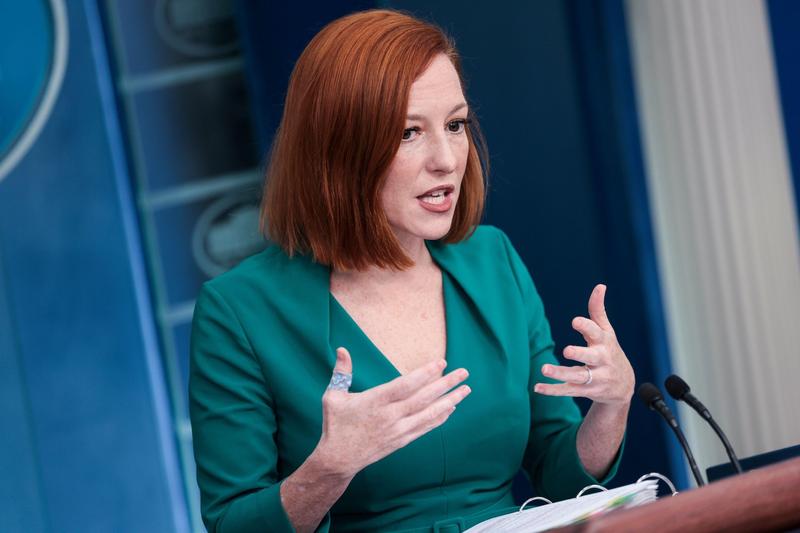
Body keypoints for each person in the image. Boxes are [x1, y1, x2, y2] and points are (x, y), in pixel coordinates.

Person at [189, 9, 634, 533]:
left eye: (455, 125)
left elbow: (561, 477)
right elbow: (233, 524)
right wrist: (330, 468)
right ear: (336, 150)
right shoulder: (237, 311)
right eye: (408, 133)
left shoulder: (493, 259)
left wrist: (613, 404)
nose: (447, 159)